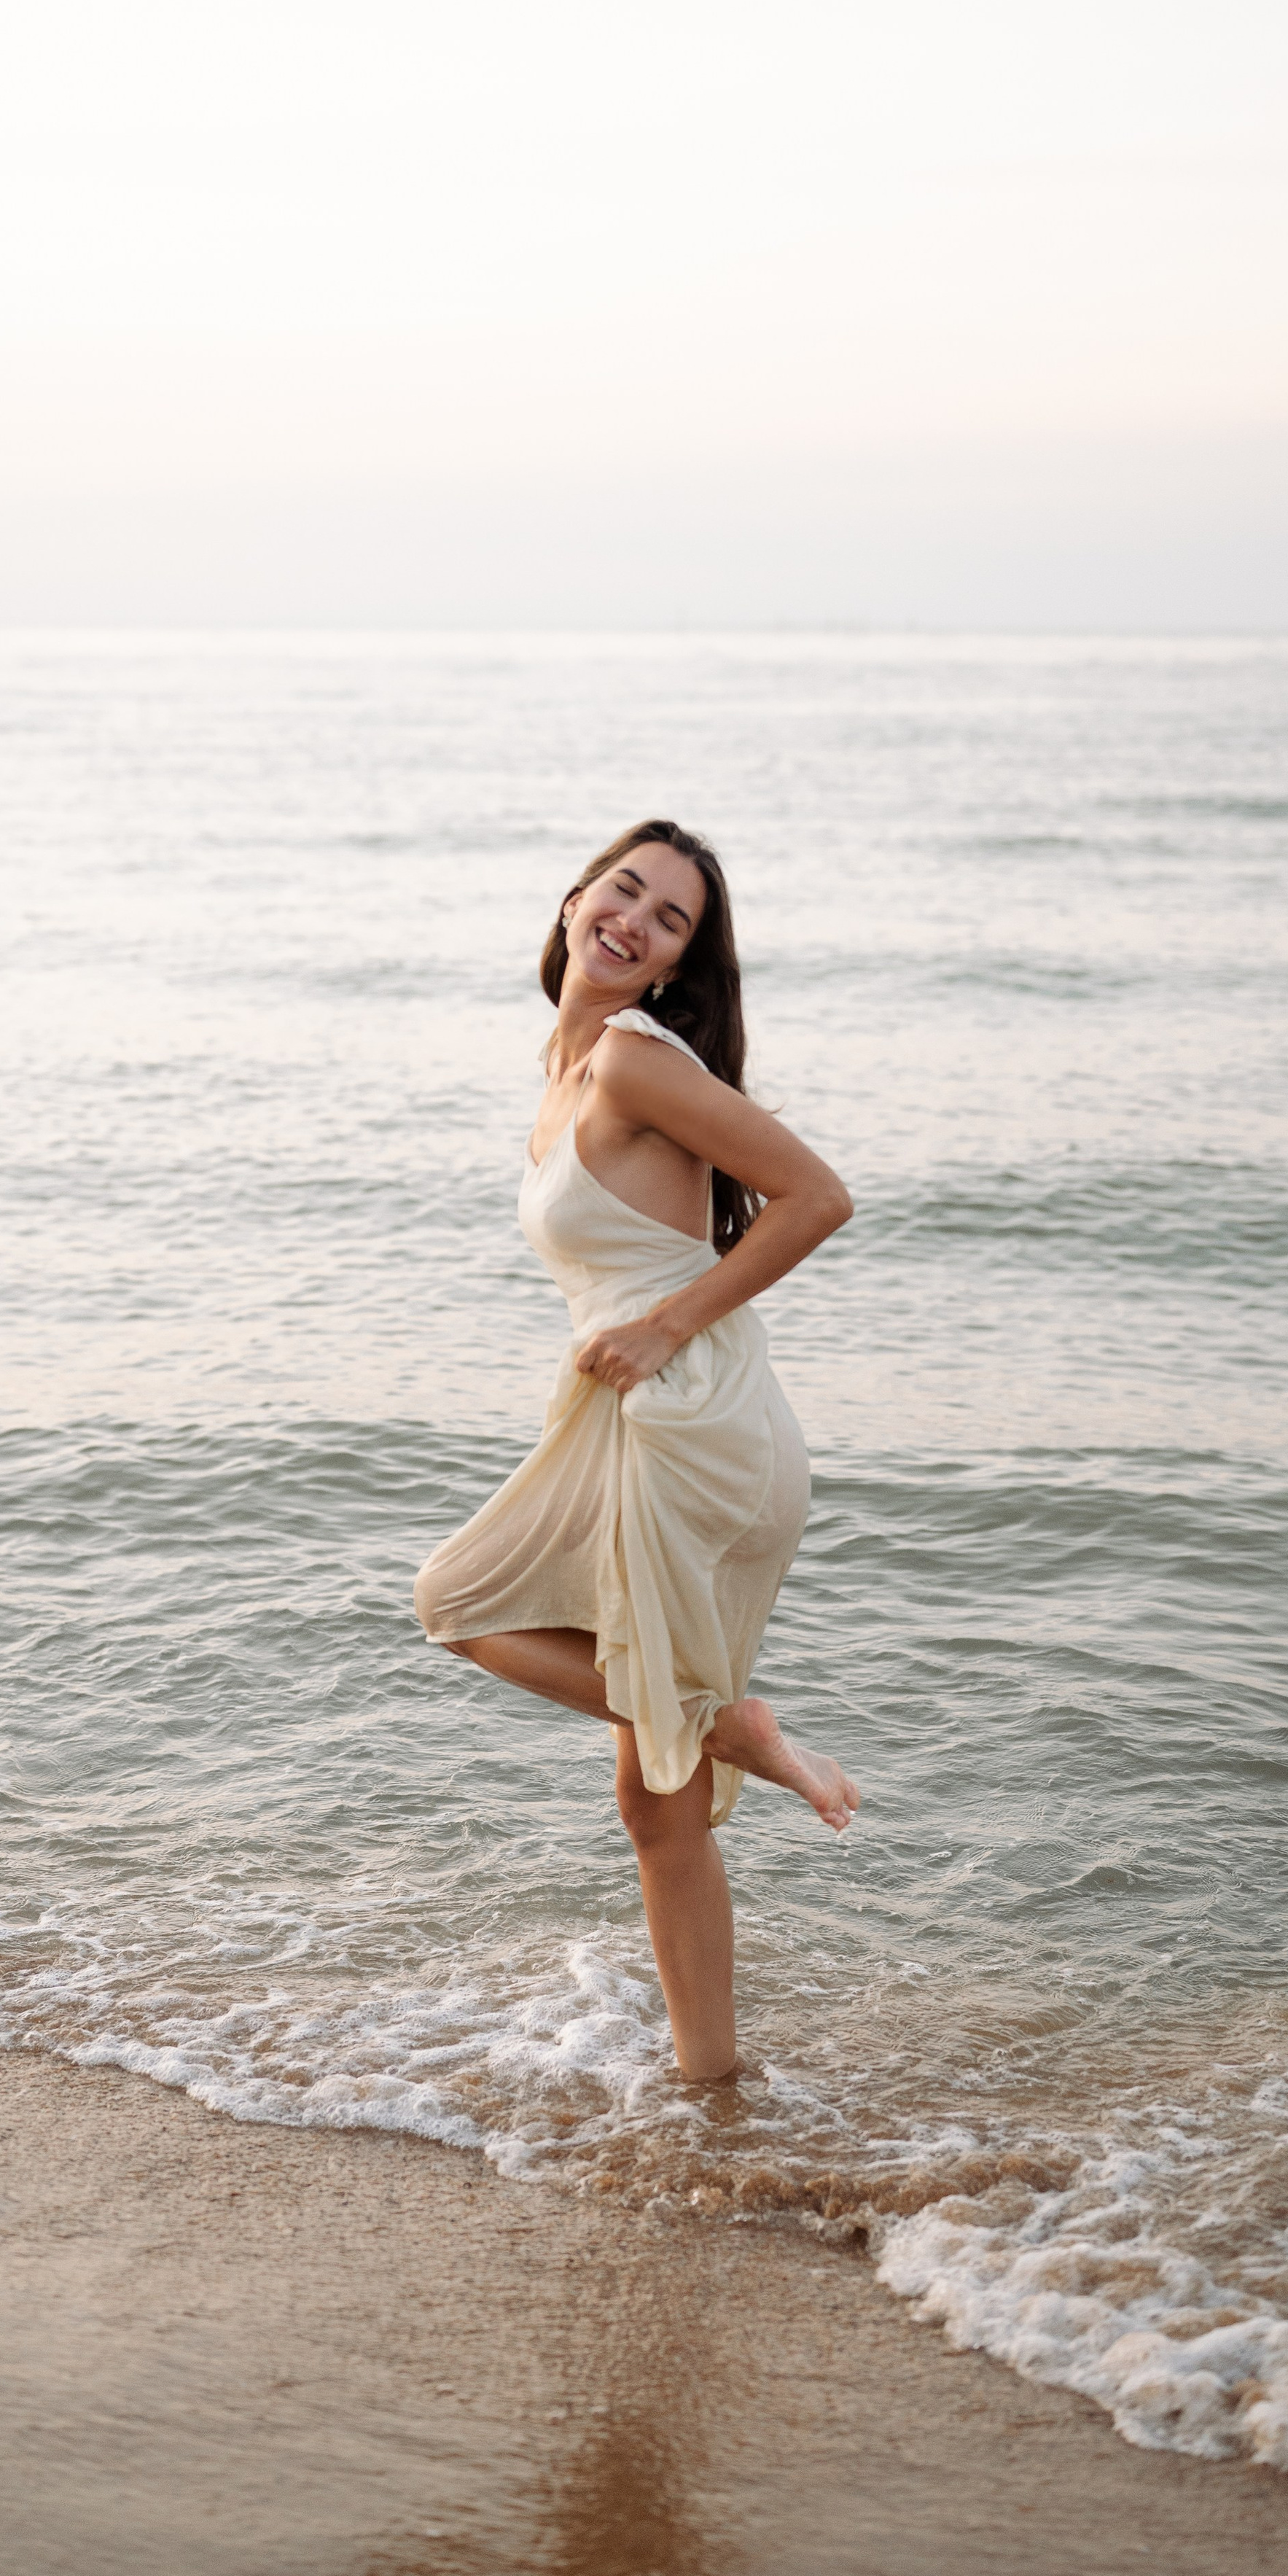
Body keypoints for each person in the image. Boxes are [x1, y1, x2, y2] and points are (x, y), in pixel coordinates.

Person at [413, 821, 859, 2084]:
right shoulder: (568, 1070)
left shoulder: (629, 1058)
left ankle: (728, 1728)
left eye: (671, 920)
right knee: (655, 1810)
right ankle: (712, 2084)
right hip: (656, 1424)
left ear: (675, 966)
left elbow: (819, 1197)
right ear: (573, 902)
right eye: (625, 891)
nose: (636, 922)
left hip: (691, 1425)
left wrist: (668, 1322)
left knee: (453, 1601)